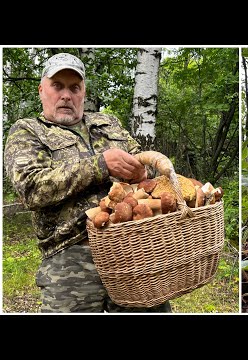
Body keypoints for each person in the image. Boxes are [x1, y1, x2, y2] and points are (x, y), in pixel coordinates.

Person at [4, 52, 172, 313]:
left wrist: (143, 173)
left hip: (132, 249)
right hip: (70, 256)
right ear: (41, 90)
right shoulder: (28, 130)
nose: (66, 95)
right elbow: (31, 187)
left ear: (83, 91)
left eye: (74, 87)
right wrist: (101, 165)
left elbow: (143, 162)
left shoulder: (109, 124)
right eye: (57, 86)